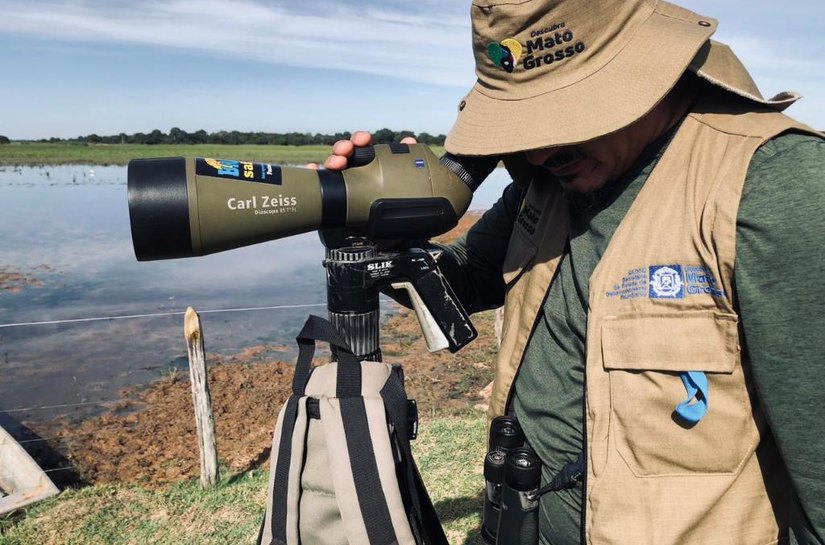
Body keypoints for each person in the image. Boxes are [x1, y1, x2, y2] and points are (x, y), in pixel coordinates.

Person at [320, 1, 825, 543]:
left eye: (563, 115)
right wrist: (378, 237)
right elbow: (461, 284)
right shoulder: (546, 186)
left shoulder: (776, 183)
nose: (537, 151)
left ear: (646, 69)